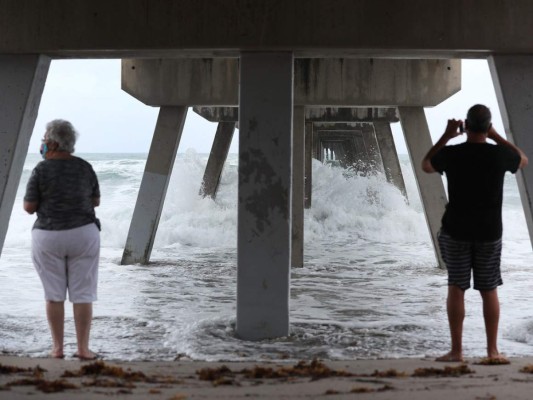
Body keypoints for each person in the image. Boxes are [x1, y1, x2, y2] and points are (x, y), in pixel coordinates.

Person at [421, 104, 528, 363]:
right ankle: (492, 351)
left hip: (456, 229)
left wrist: (447, 135)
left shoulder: (453, 153)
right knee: (488, 289)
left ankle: (457, 351)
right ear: (487, 127)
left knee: (456, 287)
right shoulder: (499, 155)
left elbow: (426, 165)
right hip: (489, 231)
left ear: (465, 126)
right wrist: (495, 136)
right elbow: (522, 159)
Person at [23, 119, 101, 360]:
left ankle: (57, 349)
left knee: (54, 295)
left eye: (45, 140)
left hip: (48, 236)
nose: (43, 144)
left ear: (54, 143)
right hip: (83, 234)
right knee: (83, 294)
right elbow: (95, 201)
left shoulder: (40, 170)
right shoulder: (85, 167)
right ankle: (83, 349)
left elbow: (29, 206)